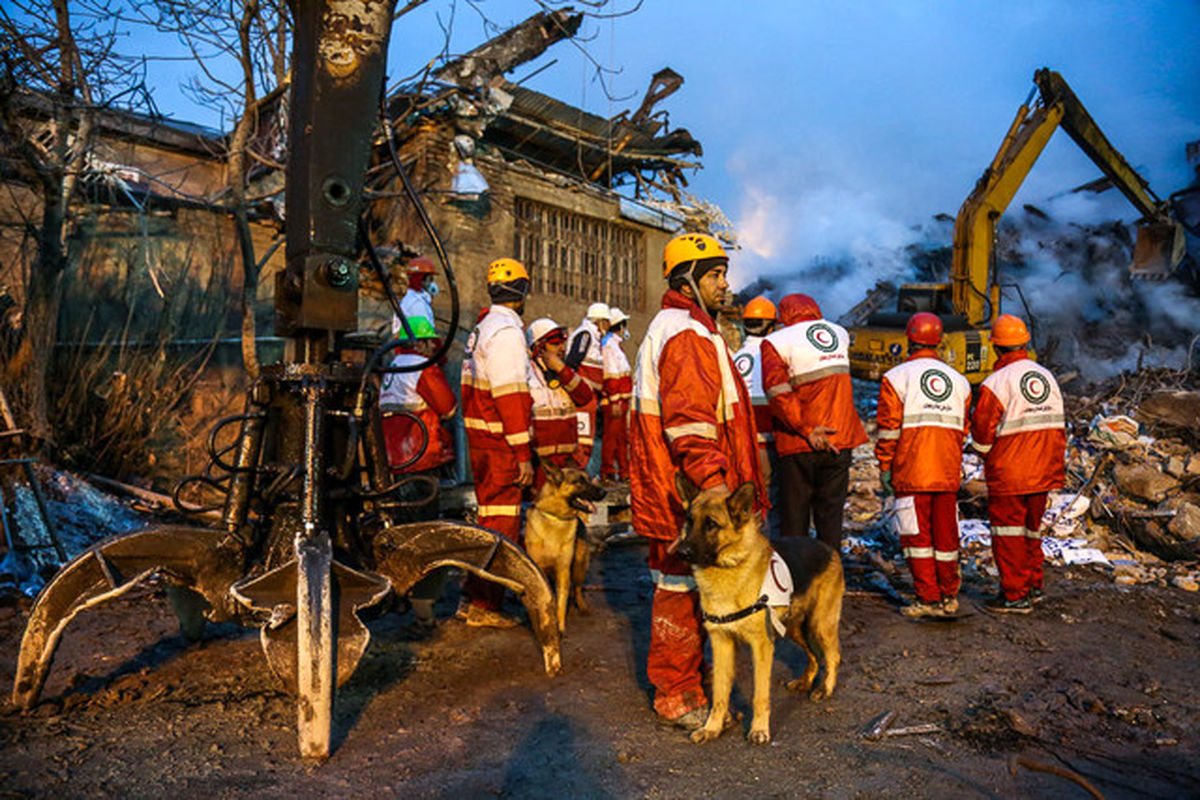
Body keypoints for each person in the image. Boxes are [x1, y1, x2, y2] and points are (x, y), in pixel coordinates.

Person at [629, 232, 766, 730]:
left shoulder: (692, 329)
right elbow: (689, 423)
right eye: (713, 275)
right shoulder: (685, 332)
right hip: (686, 493)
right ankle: (677, 694)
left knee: (686, 589)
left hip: (682, 487)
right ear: (686, 279)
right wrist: (714, 487)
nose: (723, 284)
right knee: (679, 588)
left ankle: (688, 680)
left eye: (723, 273)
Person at [875, 312, 971, 619]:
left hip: (912, 472)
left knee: (917, 539)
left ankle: (927, 599)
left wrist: (886, 466)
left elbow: (889, 429)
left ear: (909, 339)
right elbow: (963, 429)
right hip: (946, 472)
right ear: (940, 341)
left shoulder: (896, 377)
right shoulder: (960, 381)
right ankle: (949, 597)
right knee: (946, 537)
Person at [971, 314, 1066, 613]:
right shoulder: (1045, 376)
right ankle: (1034, 585)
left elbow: (982, 431)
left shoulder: (996, 382)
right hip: (1044, 469)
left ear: (996, 348)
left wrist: (984, 452)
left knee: (1008, 534)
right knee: (1031, 531)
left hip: (1011, 472)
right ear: (1024, 342)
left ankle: (1014, 595)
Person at [459, 257, 535, 628]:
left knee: (489, 520)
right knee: (502, 526)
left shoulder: (482, 328)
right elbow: (511, 397)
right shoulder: (506, 332)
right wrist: (523, 453)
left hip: (481, 438)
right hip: (498, 441)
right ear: (522, 291)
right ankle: (484, 605)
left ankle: (473, 596)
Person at [760, 293, 866, 550]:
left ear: (783, 317)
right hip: (839, 440)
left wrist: (806, 428)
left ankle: (796, 584)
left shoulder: (775, 342)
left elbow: (776, 391)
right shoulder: (839, 333)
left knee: (794, 523)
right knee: (830, 521)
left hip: (799, 444)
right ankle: (829, 581)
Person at [378, 315, 458, 632]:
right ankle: (423, 610)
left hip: (390, 465)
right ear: (424, 342)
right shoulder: (423, 367)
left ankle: (396, 595)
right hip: (421, 461)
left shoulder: (387, 370)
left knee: (396, 533)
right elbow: (448, 407)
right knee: (425, 535)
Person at [527, 317, 595, 487]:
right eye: (555, 344)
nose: (562, 349)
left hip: (566, 465)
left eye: (562, 343)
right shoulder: (525, 376)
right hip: (540, 467)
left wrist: (562, 370)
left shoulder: (564, 374)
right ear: (538, 348)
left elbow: (585, 396)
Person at [733, 295, 778, 530]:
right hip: (766, 443)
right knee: (768, 495)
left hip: (738, 443)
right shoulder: (773, 356)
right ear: (771, 326)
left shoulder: (733, 358)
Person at [566, 302, 610, 468]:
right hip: (583, 397)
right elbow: (573, 361)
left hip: (591, 397)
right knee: (582, 437)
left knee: (589, 437)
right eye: (606, 322)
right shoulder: (586, 335)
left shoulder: (595, 338)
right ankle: (578, 470)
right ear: (599, 321)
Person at [599, 306, 632, 483]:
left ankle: (624, 471)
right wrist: (615, 400)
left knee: (621, 438)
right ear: (620, 326)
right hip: (615, 400)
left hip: (621, 399)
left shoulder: (615, 346)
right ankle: (608, 470)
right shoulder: (609, 346)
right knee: (611, 438)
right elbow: (611, 375)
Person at [395, 255, 438, 333]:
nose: (432, 283)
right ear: (420, 279)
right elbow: (426, 332)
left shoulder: (413, 298)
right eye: (430, 279)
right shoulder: (416, 303)